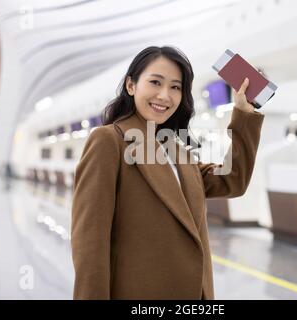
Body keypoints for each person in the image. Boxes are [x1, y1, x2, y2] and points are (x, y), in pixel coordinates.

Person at [71, 45, 264, 299]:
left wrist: (243, 115)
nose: (165, 95)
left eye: (175, 87)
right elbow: (90, 243)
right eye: (155, 82)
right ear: (131, 85)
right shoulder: (109, 141)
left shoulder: (175, 147)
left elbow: (232, 180)